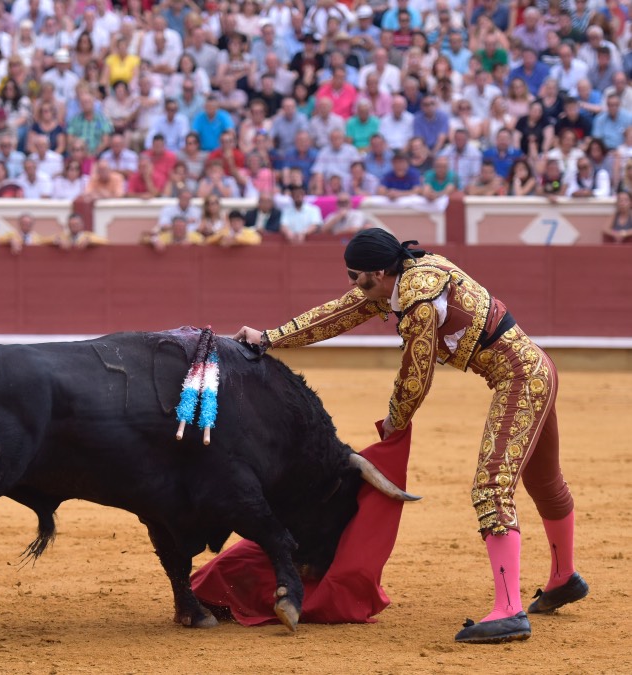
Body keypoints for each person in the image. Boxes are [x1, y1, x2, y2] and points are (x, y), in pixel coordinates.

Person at [233, 228, 587, 645]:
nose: (352, 284)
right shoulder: (404, 277)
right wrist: (269, 337)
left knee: (492, 488)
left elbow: (416, 375)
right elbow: (337, 314)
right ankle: (564, 578)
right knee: (543, 482)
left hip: (522, 380)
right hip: (535, 369)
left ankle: (509, 610)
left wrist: (395, 421)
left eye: (355, 276)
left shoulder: (418, 301)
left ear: (378, 272)